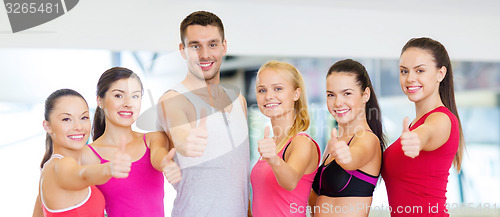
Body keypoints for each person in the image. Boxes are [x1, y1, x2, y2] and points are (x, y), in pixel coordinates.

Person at [156, 11, 250, 216]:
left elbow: (239, 176)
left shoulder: (239, 101)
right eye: (195, 46)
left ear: (224, 46)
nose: (205, 54)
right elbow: (179, 133)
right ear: (182, 50)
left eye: (213, 44)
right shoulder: (173, 99)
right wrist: (186, 141)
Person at [382, 37, 465, 216]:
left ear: (440, 73)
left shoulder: (441, 119)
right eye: (404, 71)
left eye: (420, 70)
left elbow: (428, 132)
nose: (410, 78)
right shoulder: (417, 123)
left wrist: (417, 139)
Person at [84, 67, 181, 217]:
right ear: (100, 100)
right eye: (118, 95)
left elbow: (158, 157)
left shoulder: (153, 138)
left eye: (135, 96)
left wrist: (166, 164)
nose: (128, 103)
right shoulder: (88, 155)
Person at [34, 89, 131, 217]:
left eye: (84, 117)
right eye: (66, 119)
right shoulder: (61, 165)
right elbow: (82, 175)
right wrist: (108, 168)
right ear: (48, 126)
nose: (78, 126)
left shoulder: (48, 169)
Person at [309, 59, 385, 217]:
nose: (337, 102)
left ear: (365, 95)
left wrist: (346, 157)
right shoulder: (334, 143)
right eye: (331, 95)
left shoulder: (367, 139)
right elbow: (315, 202)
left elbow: (353, 159)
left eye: (347, 93)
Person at [250, 61, 320, 216]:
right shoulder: (273, 144)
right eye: (262, 90)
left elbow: (290, 182)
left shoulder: (302, 142)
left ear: (296, 93)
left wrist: (274, 159)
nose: (268, 96)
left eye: (278, 89)